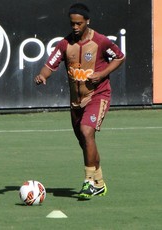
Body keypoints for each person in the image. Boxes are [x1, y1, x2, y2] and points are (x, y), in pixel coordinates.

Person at [34, 3, 125, 199]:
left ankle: (88, 182)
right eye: (72, 23)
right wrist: (43, 76)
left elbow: (119, 57)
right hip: (76, 102)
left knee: (86, 132)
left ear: (87, 22)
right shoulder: (65, 44)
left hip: (98, 95)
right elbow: (49, 65)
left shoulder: (100, 41)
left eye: (79, 23)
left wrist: (102, 74)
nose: (75, 27)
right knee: (85, 141)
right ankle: (99, 182)